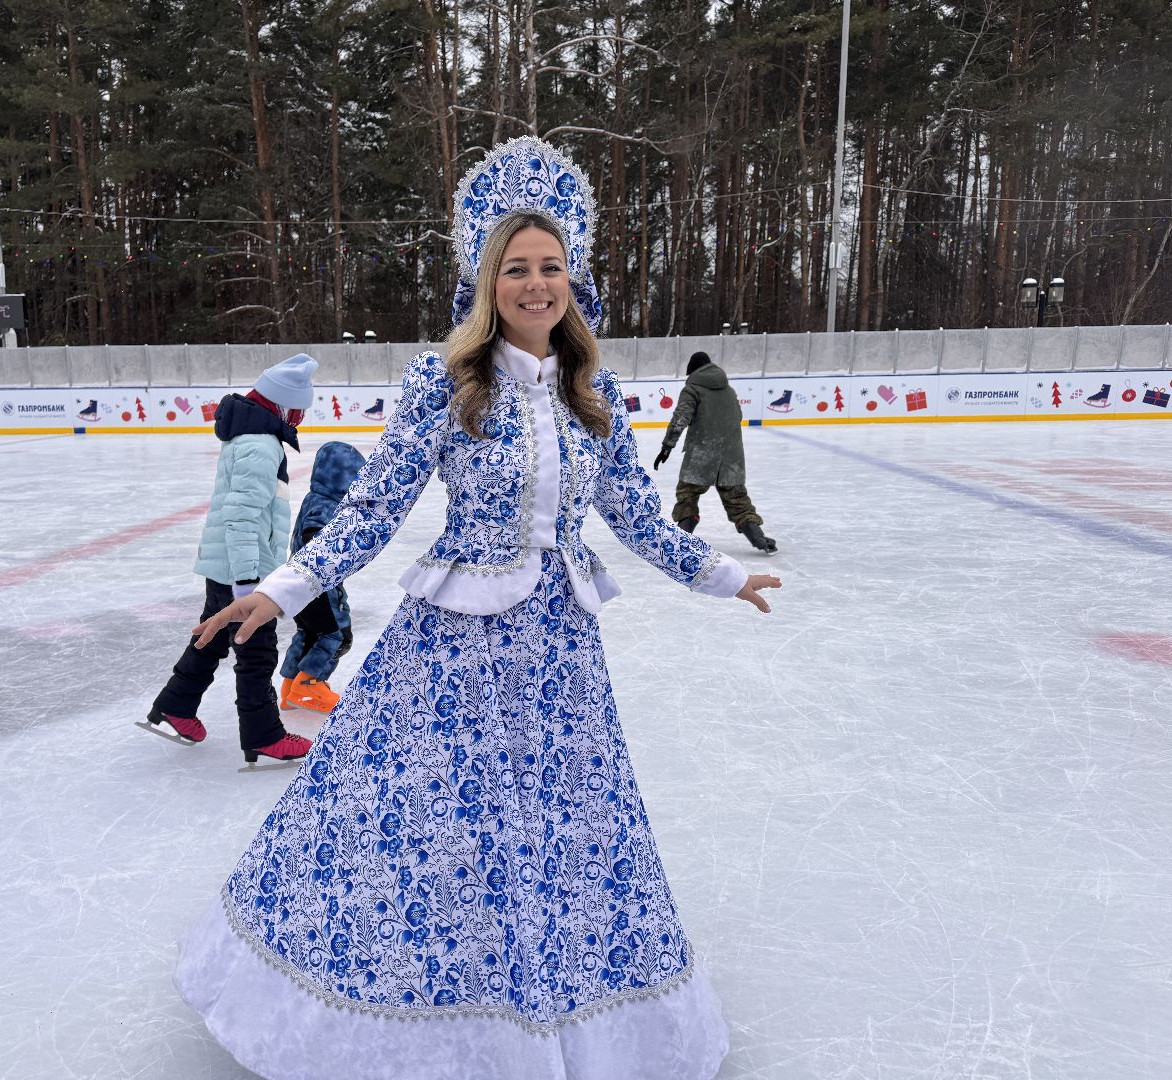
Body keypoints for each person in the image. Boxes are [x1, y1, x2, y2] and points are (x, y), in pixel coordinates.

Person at [172, 138, 782, 1080]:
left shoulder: (596, 394)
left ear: (572, 279)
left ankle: (566, 1014)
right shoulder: (446, 382)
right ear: (488, 280)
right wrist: (281, 589)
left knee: (564, 834)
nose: (535, 286)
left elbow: (631, 514)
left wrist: (722, 576)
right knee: (432, 832)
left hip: (560, 653)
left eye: (550, 268)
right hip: (454, 649)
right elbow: (375, 508)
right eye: (516, 270)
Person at [139, 353, 319, 766]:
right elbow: (241, 516)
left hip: (228, 565)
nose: (300, 419)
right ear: (283, 405)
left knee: (212, 637)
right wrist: (247, 581)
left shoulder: (250, 436)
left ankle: (176, 705)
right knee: (257, 653)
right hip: (245, 569)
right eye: (299, 410)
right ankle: (263, 734)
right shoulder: (261, 445)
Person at [654, 351, 777, 553]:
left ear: (692, 371)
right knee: (737, 499)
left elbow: (680, 419)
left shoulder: (692, 389)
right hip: (732, 457)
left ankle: (682, 538)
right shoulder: (729, 390)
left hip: (701, 454)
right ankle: (759, 538)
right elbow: (737, 416)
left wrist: (667, 446)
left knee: (687, 494)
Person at [278, 441, 367, 714]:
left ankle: (291, 686)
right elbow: (314, 539)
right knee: (335, 635)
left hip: (298, 580)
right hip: (318, 587)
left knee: (308, 633)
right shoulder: (328, 508)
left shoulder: (313, 498)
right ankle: (309, 685)